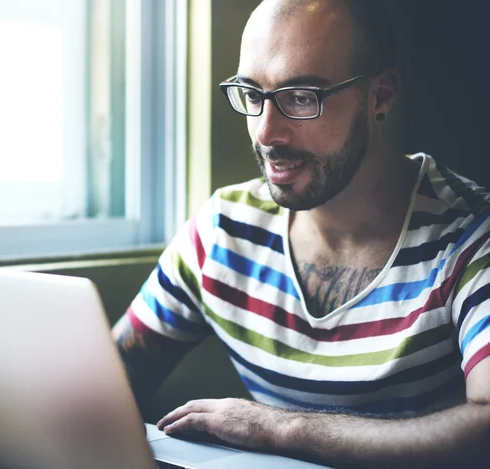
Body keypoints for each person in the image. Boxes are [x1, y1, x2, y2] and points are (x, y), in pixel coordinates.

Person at [112, 0, 490, 467]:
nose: (267, 132)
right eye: (253, 94)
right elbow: (111, 375)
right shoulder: (223, 231)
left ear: (380, 96)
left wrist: (279, 426)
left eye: (301, 97)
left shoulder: (471, 233)